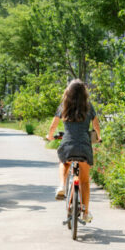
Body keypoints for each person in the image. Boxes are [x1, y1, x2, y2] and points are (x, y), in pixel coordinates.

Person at [46, 79, 101, 223]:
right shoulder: (88, 106)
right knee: (84, 182)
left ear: (68, 91)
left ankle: (62, 185)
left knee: (64, 162)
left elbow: (53, 125)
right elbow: (96, 124)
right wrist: (99, 137)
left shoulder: (64, 106)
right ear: (84, 93)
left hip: (68, 145)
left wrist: (50, 136)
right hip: (84, 146)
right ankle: (85, 212)